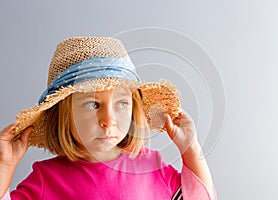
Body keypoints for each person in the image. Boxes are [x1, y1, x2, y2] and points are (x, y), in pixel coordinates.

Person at [0, 37, 216, 199]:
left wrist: (191, 149)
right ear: (64, 115)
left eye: (122, 103)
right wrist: (4, 166)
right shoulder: (46, 179)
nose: (109, 119)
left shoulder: (150, 165)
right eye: (93, 104)